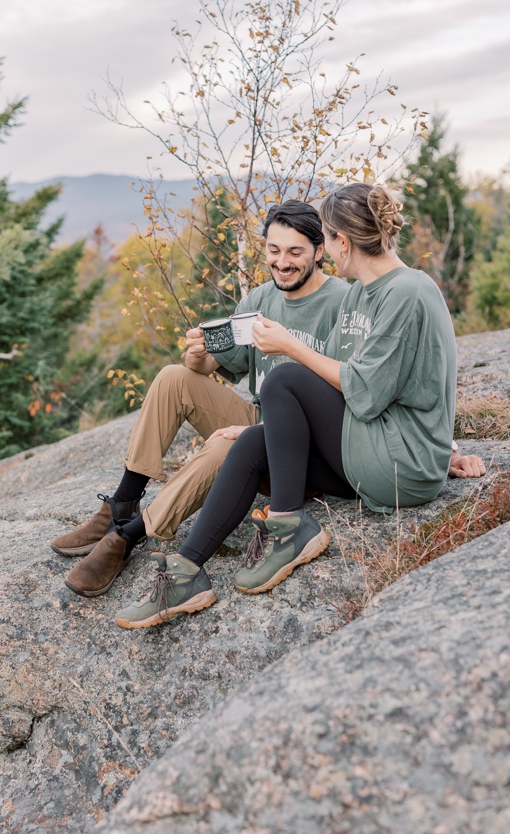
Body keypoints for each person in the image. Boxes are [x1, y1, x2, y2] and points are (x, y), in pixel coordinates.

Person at [115, 183, 486, 631]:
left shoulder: (408, 291)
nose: (326, 249)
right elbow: (325, 389)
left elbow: (366, 390)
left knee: (286, 375)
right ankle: (185, 574)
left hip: (397, 463)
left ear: (341, 242)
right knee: (252, 441)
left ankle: (286, 526)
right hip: (363, 452)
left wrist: (442, 452)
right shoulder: (359, 295)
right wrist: (262, 429)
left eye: (325, 238)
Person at [53, 202, 348, 597]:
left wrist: (251, 431)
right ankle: (123, 502)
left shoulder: (342, 302)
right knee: (174, 376)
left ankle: (128, 536)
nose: (283, 263)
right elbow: (216, 365)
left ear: (319, 251)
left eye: (295, 252)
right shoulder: (261, 299)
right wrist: (197, 356)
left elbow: (351, 394)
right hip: (260, 422)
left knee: (225, 446)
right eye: (274, 251)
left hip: (301, 453)